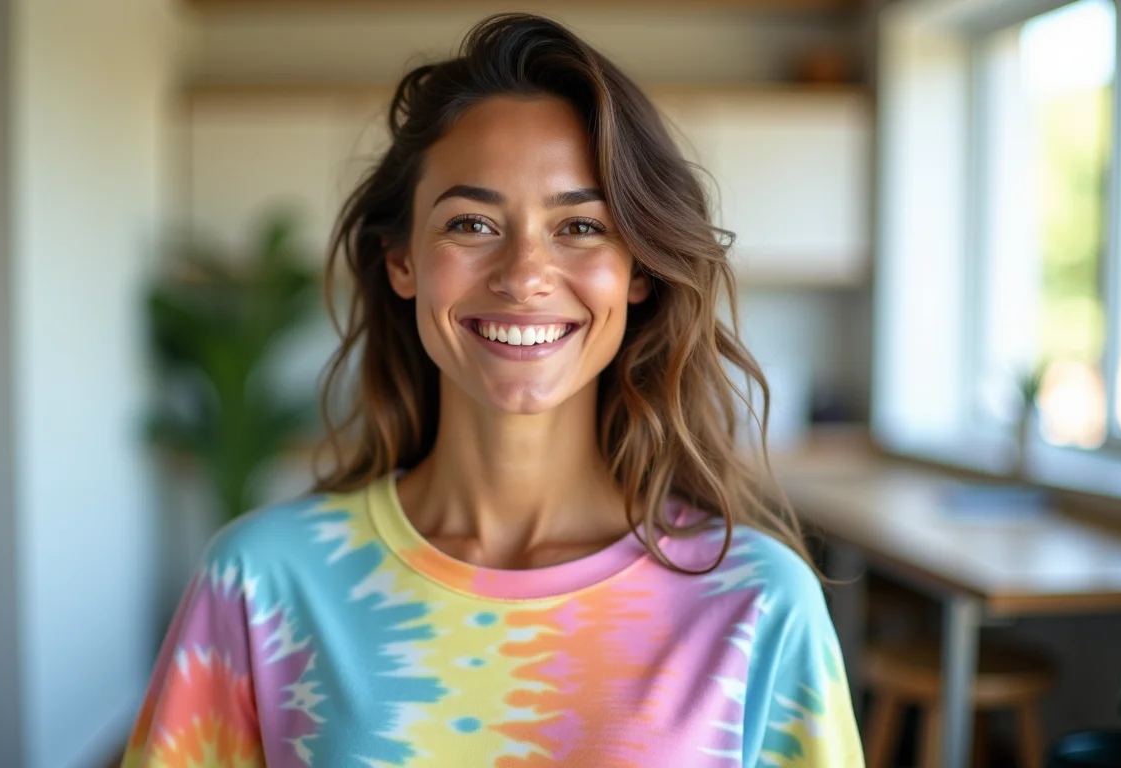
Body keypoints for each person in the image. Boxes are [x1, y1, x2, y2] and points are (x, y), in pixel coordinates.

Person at [122, 13, 862, 768]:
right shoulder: (260, 584)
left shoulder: (758, 603)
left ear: (638, 270)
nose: (524, 275)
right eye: (472, 223)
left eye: (580, 226)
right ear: (403, 262)